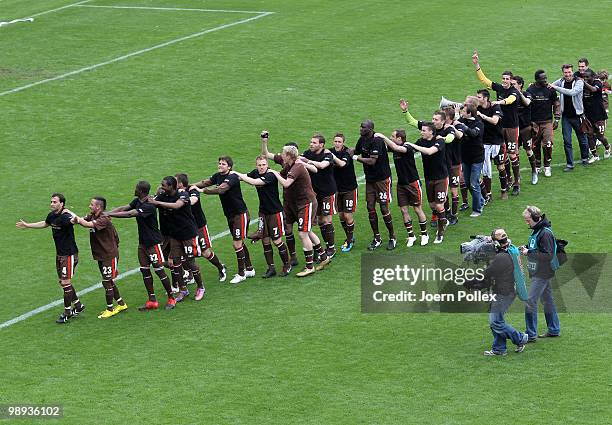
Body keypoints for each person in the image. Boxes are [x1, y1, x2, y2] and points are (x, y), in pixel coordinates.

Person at [106, 181, 176, 311]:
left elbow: (129, 214)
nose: (134, 190)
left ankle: (171, 298)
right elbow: (124, 208)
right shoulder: (138, 201)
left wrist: (109, 215)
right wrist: (107, 213)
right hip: (143, 243)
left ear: (141, 191)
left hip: (153, 243)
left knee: (159, 271)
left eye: (136, 188)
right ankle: (152, 300)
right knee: (145, 270)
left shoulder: (149, 205)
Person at [16, 193, 85, 324]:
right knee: (64, 282)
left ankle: (67, 312)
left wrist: (72, 213)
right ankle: (78, 305)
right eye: (51, 201)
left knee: (65, 283)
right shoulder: (52, 215)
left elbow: (76, 221)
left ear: (61, 204)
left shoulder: (65, 217)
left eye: (54, 202)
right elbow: (45, 223)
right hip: (60, 254)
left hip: (69, 255)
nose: (51, 204)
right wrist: (28, 225)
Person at [268, 145, 330, 277]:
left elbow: (286, 183)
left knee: (303, 234)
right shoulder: (289, 165)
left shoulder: (297, 167)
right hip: (301, 203)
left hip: (306, 203)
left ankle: (309, 266)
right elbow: (281, 175)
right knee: (308, 231)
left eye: (283, 153)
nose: (281, 154)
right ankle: (324, 257)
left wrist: (272, 172)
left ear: (289, 156)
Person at [465, 229, 529, 356]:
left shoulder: (501, 257)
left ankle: (520, 338)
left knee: (495, 321)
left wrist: (470, 282)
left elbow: (487, 274)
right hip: (505, 289)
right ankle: (499, 349)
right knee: (496, 319)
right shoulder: (510, 250)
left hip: (504, 292)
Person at [194, 157, 255, 284]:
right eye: (219, 163)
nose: (220, 165)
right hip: (230, 215)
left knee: (237, 243)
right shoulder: (217, 176)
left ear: (229, 167)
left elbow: (221, 189)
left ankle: (241, 273)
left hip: (240, 214)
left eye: (223, 164)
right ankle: (249, 269)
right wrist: (189, 186)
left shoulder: (232, 177)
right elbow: (205, 182)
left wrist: (203, 191)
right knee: (240, 243)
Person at [399, 100, 457, 225]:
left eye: (436, 119)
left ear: (443, 121)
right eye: (433, 119)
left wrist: (442, 139)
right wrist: (405, 111)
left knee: (446, 193)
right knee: (438, 197)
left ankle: (448, 214)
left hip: (447, 164)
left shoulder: (448, 129)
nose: (433, 121)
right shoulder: (428, 129)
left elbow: (450, 139)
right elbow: (412, 122)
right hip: (431, 168)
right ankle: (439, 214)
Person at [472, 51, 522, 196]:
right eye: (503, 78)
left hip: (512, 127)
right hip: (499, 128)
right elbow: (484, 80)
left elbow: (510, 100)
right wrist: (476, 64)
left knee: (513, 154)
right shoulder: (499, 88)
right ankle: (509, 179)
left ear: (511, 80)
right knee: (503, 156)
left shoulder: (514, 91)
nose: (505, 80)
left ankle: (517, 183)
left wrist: (498, 101)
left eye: (507, 79)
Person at [234, 156, 292, 278]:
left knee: (277, 241)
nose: (261, 167)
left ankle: (287, 265)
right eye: (259, 165)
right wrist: (229, 176)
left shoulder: (270, 175)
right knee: (265, 240)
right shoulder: (255, 172)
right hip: (263, 212)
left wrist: (236, 173)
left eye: (263, 165)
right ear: (256, 165)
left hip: (275, 212)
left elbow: (253, 182)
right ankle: (271, 268)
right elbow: (244, 177)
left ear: (267, 165)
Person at [149, 176, 206, 301]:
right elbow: (151, 203)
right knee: (176, 263)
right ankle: (183, 290)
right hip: (175, 235)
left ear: (171, 186)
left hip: (188, 234)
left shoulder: (183, 195)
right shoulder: (162, 196)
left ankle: (201, 287)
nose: (161, 186)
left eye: (164, 185)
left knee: (190, 262)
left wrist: (157, 202)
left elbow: (177, 206)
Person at [72, 197, 127, 319]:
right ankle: (121, 304)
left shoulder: (104, 218)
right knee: (108, 281)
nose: (89, 206)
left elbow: (86, 224)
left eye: (92, 204)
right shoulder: (92, 215)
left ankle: (110, 309)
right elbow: (81, 220)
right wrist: (71, 217)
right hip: (102, 255)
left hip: (109, 255)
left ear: (98, 207)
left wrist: (74, 217)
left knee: (106, 281)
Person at [378, 129, 429, 246]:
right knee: (403, 210)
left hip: (412, 183)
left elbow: (397, 149)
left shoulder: (407, 147)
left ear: (400, 139)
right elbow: (386, 148)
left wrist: (382, 136)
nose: (391, 138)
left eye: (393, 137)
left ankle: (424, 234)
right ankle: (411, 236)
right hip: (401, 184)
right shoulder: (394, 146)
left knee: (417, 209)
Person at [401, 122, 448, 244]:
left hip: (441, 178)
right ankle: (443, 219)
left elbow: (429, 152)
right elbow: (409, 150)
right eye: (421, 130)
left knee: (438, 206)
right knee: (433, 206)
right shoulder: (421, 141)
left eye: (423, 130)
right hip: (429, 178)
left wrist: (412, 145)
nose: (421, 132)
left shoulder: (439, 141)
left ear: (431, 132)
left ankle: (440, 233)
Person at [354, 120, 396, 250]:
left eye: (363, 127)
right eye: (361, 126)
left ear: (371, 129)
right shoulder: (362, 139)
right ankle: (377, 238)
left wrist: (356, 158)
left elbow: (372, 161)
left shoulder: (377, 141)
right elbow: (354, 151)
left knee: (384, 208)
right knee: (370, 207)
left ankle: (392, 237)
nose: (361, 129)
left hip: (382, 180)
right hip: (370, 180)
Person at [175, 173, 227, 282]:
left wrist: (183, 198)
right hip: (185, 228)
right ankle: (190, 275)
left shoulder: (192, 190)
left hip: (198, 226)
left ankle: (221, 268)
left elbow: (194, 200)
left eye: (175, 182)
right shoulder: (175, 192)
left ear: (180, 183)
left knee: (205, 251)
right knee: (183, 252)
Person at [520, 206, 560, 342]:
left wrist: (529, 252)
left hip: (543, 272)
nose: (527, 223)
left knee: (530, 301)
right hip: (539, 270)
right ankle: (554, 329)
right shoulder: (538, 230)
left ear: (536, 218)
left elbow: (548, 255)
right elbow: (537, 246)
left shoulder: (545, 233)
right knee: (547, 300)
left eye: (528, 220)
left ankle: (530, 334)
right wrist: (527, 247)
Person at [260, 131, 300, 266]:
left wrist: (275, 174)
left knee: (305, 231)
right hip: (288, 201)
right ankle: (293, 257)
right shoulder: (283, 160)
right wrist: (264, 141)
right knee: (288, 228)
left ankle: (318, 252)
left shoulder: (300, 164)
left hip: (302, 202)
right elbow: (266, 154)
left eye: (284, 152)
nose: (282, 154)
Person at [301, 133, 338, 258]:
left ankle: (331, 248)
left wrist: (308, 161)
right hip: (315, 193)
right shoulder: (307, 153)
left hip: (328, 192)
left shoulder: (327, 155)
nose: (311, 144)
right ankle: (324, 246)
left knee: (327, 219)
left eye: (314, 143)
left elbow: (322, 165)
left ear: (321, 145)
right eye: (311, 142)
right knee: (320, 221)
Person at [549, 64, 590, 170]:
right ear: (563, 73)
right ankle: (570, 164)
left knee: (582, 139)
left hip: (578, 116)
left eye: (569, 72)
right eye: (565, 72)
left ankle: (585, 158)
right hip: (566, 117)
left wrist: (556, 88)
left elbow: (572, 93)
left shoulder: (579, 82)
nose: (567, 74)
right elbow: (550, 86)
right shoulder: (561, 81)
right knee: (567, 141)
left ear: (572, 72)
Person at [526, 70, 561, 177]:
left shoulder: (550, 89)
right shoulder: (530, 89)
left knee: (548, 144)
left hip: (547, 122)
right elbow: (527, 105)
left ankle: (547, 166)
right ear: (537, 79)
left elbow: (556, 103)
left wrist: (557, 118)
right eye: (543, 78)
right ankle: (537, 166)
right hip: (534, 123)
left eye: (546, 78)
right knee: (535, 146)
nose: (545, 80)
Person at [453, 100, 485, 217]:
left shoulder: (479, 124)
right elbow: (454, 123)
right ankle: (481, 200)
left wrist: (462, 126)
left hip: (477, 158)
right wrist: (456, 114)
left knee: (474, 183)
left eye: (463, 111)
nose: (462, 113)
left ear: (470, 113)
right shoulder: (463, 120)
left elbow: (473, 133)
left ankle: (477, 209)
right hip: (465, 157)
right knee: (467, 183)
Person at [476, 89, 506, 201]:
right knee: (486, 169)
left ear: (485, 98)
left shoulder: (495, 107)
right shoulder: (477, 108)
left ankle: (504, 190)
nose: (477, 99)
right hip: (484, 143)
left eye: (479, 97)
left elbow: (494, 121)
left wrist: (482, 115)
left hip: (497, 142)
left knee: (500, 166)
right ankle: (488, 194)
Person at [331, 133, 358, 252]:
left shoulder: (347, 152)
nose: (337, 143)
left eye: (339, 142)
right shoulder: (329, 152)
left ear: (343, 142)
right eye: (335, 141)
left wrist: (331, 156)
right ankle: (349, 236)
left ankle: (350, 240)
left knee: (347, 215)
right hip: (337, 190)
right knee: (341, 216)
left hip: (349, 189)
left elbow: (342, 164)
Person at [511, 75, 539, 185]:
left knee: (528, 150)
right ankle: (517, 177)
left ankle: (534, 171)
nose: (512, 86)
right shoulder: (511, 96)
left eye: (514, 84)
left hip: (525, 128)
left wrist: (519, 93)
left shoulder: (527, 94)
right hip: (514, 128)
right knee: (515, 152)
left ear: (520, 85)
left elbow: (527, 102)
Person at [582, 70, 611, 161]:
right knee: (590, 135)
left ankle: (607, 147)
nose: (586, 79)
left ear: (593, 77)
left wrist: (583, 83)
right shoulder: (583, 85)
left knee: (599, 136)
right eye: (584, 77)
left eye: (587, 77)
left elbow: (594, 89)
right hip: (588, 115)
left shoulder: (597, 83)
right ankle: (595, 155)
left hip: (599, 116)